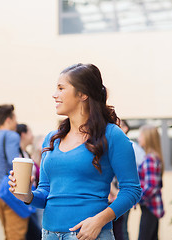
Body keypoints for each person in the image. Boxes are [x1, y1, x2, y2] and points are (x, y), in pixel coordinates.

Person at [8, 63, 142, 240]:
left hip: (89, 235)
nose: (54, 94)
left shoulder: (111, 134)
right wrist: (27, 195)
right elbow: (46, 192)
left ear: (83, 94)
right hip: (49, 234)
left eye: (61, 88)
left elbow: (132, 190)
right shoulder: (51, 139)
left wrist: (99, 221)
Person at [0, 104, 29, 240]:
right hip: (10, 192)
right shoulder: (12, 136)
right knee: (16, 236)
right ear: (8, 120)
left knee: (8, 234)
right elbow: (15, 164)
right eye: (15, 119)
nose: (17, 123)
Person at [137, 125, 165, 240]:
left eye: (140, 135)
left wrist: (137, 198)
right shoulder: (153, 157)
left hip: (150, 208)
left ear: (147, 138)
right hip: (151, 208)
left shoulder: (150, 159)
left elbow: (151, 187)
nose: (138, 138)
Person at [16, 123, 42, 240]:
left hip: (33, 196)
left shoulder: (26, 154)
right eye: (30, 132)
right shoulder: (19, 156)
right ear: (23, 135)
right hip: (25, 198)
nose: (32, 136)